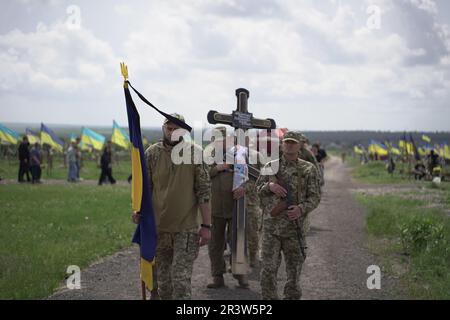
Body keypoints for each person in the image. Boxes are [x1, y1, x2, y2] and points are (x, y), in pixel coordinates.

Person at [133, 113, 211, 300]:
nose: (172, 132)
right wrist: (138, 211)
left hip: (186, 229)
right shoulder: (152, 153)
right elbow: (145, 189)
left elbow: (204, 191)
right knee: (163, 284)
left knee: (180, 281)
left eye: (177, 128)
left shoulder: (195, 153)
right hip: (159, 229)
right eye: (169, 128)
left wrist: (207, 226)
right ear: (163, 128)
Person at [257, 131, 321, 300]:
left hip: (294, 228)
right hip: (271, 227)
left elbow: (315, 197)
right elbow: (257, 191)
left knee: (294, 272)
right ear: (282, 144)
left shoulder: (308, 169)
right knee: (268, 269)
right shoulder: (270, 166)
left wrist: (301, 208)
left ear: (300, 145)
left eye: (293, 142)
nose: (289, 145)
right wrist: (269, 186)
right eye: (286, 142)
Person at [206, 127, 249, 289]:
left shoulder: (239, 155)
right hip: (215, 207)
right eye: (215, 138)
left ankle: (241, 275)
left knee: (238, 241)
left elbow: (251, 177)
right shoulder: (207, 155)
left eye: (222, 138)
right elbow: (202, 175)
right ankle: (217, 276)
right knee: (215, 243)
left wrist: (245, 187)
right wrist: (218, 168)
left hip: (235, 207)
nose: (218, 142)